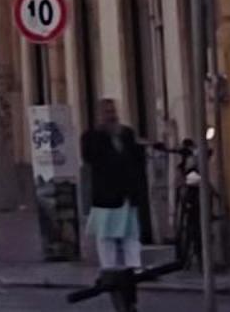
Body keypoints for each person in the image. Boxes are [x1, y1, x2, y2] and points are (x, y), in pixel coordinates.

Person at [81, 99, 148, 312]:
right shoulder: (92, 137)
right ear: (99, 115)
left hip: (127, 194)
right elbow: (91, 159)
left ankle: (133, 266)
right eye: (106, 112)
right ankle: (108, 269)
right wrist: (108, 136)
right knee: (107, 236)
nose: (111, 115)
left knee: (130, 234)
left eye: (113, 111)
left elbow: (137, 159)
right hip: (106, 196)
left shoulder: (126, 134)